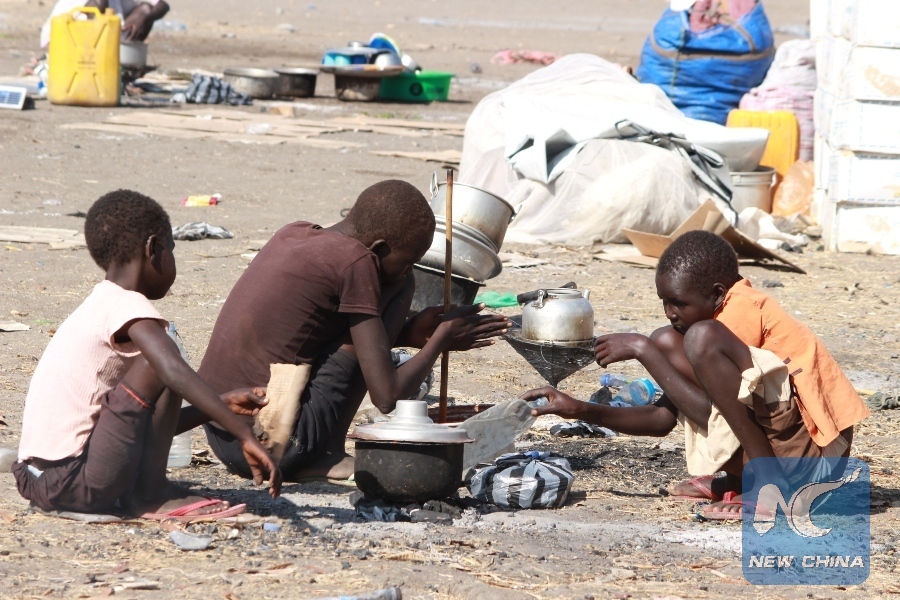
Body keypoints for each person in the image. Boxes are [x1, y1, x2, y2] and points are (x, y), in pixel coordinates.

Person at [523, 230, 870, 519]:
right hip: (791, 451)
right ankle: (743, 478)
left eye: (678, 302)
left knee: (695, 338)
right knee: (666, 340)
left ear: (717, 293)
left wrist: (644, 351)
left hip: (816, 463)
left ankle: (768, 483)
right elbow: (662, 419)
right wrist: (579, 409)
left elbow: (713, 417)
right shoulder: (711, 327)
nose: (670, 312)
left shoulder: (738, 314)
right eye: (664, 301)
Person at [194, 180, 510, 483]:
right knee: (399, 285)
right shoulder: (357, 262)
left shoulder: (294, 232)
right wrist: (441, 340)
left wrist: (407, 333)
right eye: (407, 261)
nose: (408, 268)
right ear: (379, 248)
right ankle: (326, 455)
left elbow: (305, 334)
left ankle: (319, 451)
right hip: (276, 447)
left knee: (387, 291)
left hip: (221, 432)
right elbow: (386, 397)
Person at [13, 190, 281, 521]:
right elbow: (169, 369)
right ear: (153, 249)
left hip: (40, 479)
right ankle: (151, 494)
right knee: (162, 358)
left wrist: (220, 405)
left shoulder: (101, 303)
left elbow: (140, 432)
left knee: (161, 360)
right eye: (171, 249)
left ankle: (146, 490)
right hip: (73, 480)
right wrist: (243, 433)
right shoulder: (126, 305)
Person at [40, 0, 170, 50]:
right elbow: (96, 5)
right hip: (64, 43)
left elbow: (161, 5)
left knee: (146, 11)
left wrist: (140, 21)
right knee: (99, 5)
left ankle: (122, 74)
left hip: (109, 42)